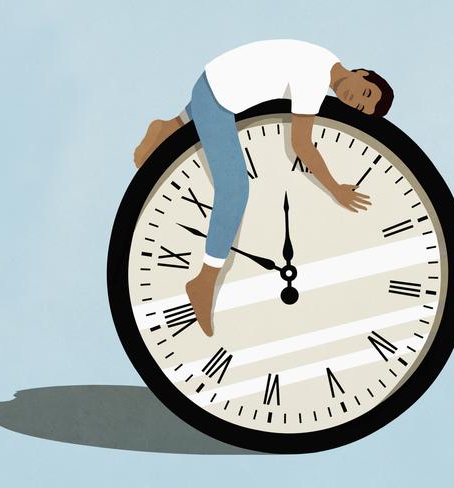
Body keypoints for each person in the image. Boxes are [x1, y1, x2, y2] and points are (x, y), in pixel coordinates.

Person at [133, 39, 394, 337]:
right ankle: (204, 281)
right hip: (218, 99)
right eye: (365, 92)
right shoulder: (315, 76)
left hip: (212, 83)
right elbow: (301, 145)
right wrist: (335, 188)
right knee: (234, 189)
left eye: (359, 105)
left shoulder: (322, 61)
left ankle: (168, 128)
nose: (353, 98)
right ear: (362, 73)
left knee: (203, 120)